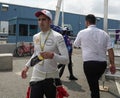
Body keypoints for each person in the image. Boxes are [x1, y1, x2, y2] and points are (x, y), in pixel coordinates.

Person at [21, 9, 69, 98]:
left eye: (44, 19)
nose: (41, 22)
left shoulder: (58, 36)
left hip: (52, 78)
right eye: (39, 19)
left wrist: (53, 55)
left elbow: (66, 60)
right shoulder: (35, 36)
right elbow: (36, 54)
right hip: (36, 76)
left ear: (50, 21)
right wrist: (26, 67)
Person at [74, 14, 116, 98]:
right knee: (94, 83)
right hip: (102, 64)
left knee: (94, 88)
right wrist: (112, 64)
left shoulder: (82, 32)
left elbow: (76, 44)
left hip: (89, 64)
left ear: (87, 22)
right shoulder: (104, 34)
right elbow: (110, 49)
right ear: (95, 22)